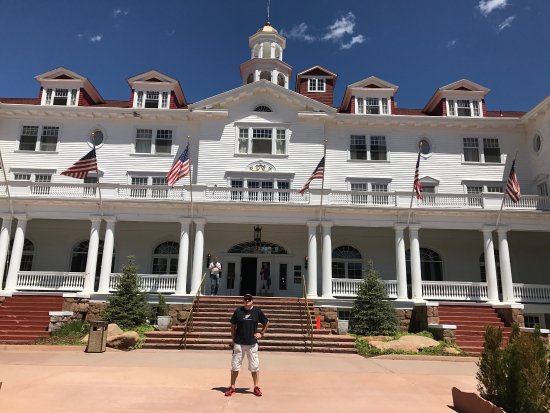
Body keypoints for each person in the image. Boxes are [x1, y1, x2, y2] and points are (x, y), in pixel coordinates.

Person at [224, 294, 269, 397]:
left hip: (252, 343)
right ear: (243, 301)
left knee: (254, 366)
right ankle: (232, 386)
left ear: (252, 301)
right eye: (245, 299)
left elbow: (266, 322)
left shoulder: (257, 311)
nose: (247, 301)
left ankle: (256, 387)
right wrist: (233, 339)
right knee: (235, 365)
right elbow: (233, 325)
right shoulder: (238, 311)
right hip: (239, 343)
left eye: (249, 299)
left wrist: (261, 333)